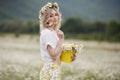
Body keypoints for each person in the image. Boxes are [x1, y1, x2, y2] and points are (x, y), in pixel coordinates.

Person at [39, 2, 76, 80]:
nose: (55, 17)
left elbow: (57, 54)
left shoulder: (53, 32)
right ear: (46, 19)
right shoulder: (47, 33)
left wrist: (69, 57)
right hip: (51, 70)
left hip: (55, 68)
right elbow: (53, 55)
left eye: (56, 14)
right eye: (51, 16)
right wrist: (61, 39)